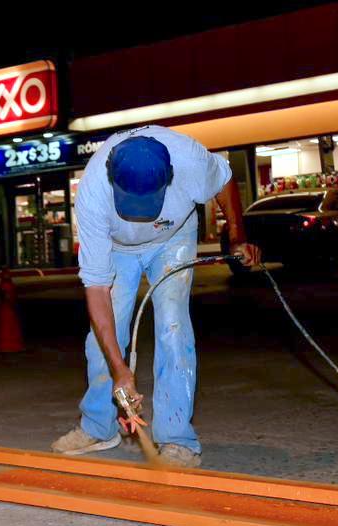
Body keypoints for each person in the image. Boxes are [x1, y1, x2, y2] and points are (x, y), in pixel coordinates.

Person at [50, 126, 259, 468]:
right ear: (111, 178)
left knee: (173, 327)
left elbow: (224, 181)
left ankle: (177, 439)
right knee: (102, 336)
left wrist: (237, 236)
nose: (139, 213)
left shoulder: (189, 159)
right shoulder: (92, 194)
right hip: (118, 249)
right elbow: (97, 290)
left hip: (173, 239)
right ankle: (99, 427)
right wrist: (121, 371)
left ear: (171, 176)